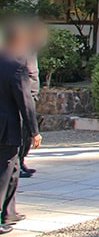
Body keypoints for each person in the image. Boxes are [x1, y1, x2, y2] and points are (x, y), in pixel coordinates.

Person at [0, 20, 41, 234]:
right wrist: (34, 131)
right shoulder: (16, 68)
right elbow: (26, 102)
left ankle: (9, 211)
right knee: (5, 170)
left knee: (14, 168)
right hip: (7, 128)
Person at [18, 20, 45, 179]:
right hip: (24, 96)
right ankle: (17, 162)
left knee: (27, 133)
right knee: (22, 132)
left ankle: (21, 160)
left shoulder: (31, 50)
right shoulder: (20, 50)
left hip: (32, 96)